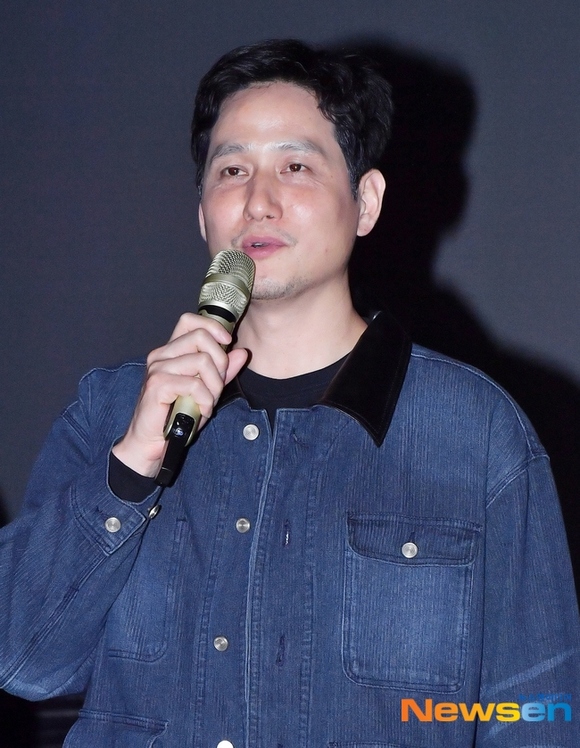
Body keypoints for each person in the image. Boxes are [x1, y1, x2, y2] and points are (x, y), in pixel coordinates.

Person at [0, 39, 578, 747]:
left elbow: (536, 713)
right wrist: (128, 473)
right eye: (232, 170)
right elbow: (23, 663)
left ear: (365, 202)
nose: (258, 201)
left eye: (295, 166)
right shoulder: (111, 411)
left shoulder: (475, 433)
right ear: (202, 212)